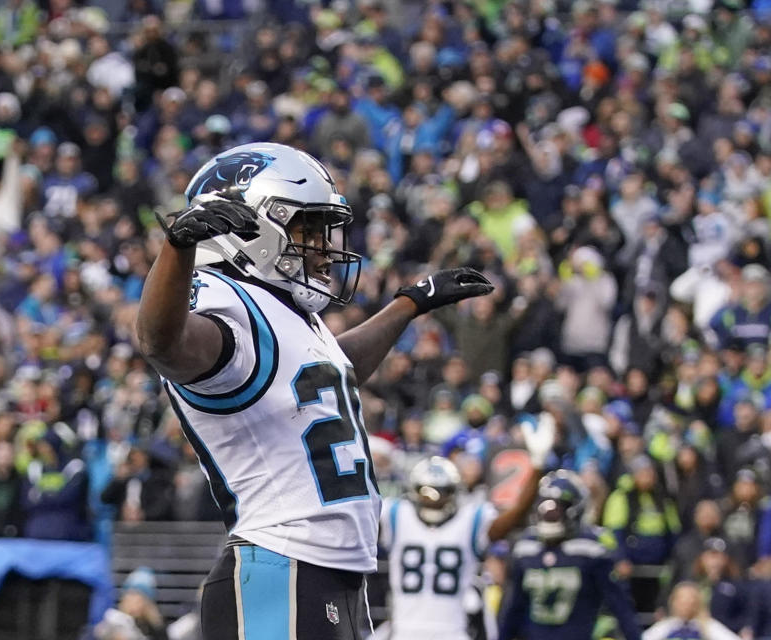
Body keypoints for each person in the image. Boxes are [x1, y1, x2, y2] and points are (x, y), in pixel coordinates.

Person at [136, 142, 493, 639]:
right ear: (253, 230)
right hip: (281, 567)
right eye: (309, 230)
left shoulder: (287, 315)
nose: (325, 248)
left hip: (333, 578)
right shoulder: (224, 305)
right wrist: (177, 250)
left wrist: (409, 304)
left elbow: (331, 373)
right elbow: (162, 343)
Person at [379, 414, 555, 640]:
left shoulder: (464, 519)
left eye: (441, 492)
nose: (434, 499)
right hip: (421, 631)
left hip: (433, 631)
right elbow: (516, 516)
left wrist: (538, 467)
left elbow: (515, 518)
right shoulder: (396, 516)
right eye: (428, 492)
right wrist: (537, 467)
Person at [498, 470, 641, 640]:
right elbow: (513, 607)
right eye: (546, 506)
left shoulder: (590, 549)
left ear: (574, 509)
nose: (550, 513)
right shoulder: (526, 547)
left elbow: (619, 605)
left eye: (559, 506)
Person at [642, 582, 740, 640]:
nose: (686, 605)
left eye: (690, 600)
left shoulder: (708, 626)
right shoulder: (665, 626)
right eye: (682, 601)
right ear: (673, 602)